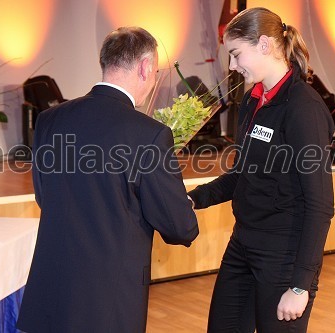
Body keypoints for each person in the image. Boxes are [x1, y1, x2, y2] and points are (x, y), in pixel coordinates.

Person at [17, 26, 199, 333]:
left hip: (52, 293)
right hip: (108, 303)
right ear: (144, 67)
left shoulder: (49, 120)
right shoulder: (149, 134)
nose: (152, 81)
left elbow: (44, 196)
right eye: (154, 71)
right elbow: (178, 225)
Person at [187, 7, 335, 333]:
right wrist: (191, 199)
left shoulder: (303, 108)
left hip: (284, 257)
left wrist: (300, 286)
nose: (231, 66)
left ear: (265, 45)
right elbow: (243, 175)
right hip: (243, 245)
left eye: (236, 54)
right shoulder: (253, 101)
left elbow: (321, 204)